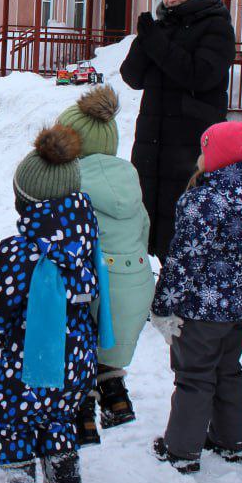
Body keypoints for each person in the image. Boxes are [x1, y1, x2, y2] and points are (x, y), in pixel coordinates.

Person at [0, 126, 113, 483]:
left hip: (28, 361)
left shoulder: (21, 253)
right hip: (77, 360)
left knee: (7, 415)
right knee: (58, 415)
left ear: (26, 203)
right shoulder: (87, 241)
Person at [149, 119, 242, 474]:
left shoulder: (205, 198)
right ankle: (230, 440)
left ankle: (182, 449)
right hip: (238, 301)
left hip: (201, 306)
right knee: (229, 370)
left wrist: (163, 304)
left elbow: (185, 257)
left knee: (194, 374)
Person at [119, 0, 236, 260]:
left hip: (190, 137)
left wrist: (156, 42)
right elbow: (132, 77)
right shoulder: (163, 27)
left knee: (183, 216)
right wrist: (144, 41)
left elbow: (199, 75)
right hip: (153, 139)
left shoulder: (216, 26)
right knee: (150, 212)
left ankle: (182, 291)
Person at [55, 85, 152, 438]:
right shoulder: (129, 178)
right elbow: (143, 228)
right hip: (136, 281)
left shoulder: (72, 182)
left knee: (79, 335)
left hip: (97, 284)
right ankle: (115, 395)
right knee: (110, 345)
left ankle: (82, 412)